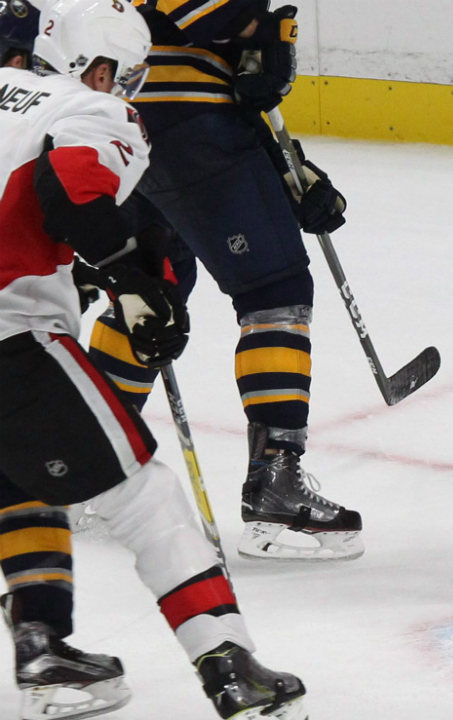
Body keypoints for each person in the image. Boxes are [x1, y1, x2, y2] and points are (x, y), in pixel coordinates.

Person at [0, 1, 306, 717]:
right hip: (11, 338)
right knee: (147, 497)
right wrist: (134, 280)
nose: (127, 88)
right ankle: (228, 666)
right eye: (124, 73)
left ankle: (44, 650)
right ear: (97, 63)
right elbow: (70, 189)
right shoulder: (90, 110)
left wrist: (122, 266)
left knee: (20, 481)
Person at [81, 0, 361, 561]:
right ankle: (275, 478)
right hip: (192, 125)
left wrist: (286, 166)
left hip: (126, 125)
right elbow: (213, 19)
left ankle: (90, 464)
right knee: (273, 292)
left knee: (152, 292)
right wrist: (266, 34)